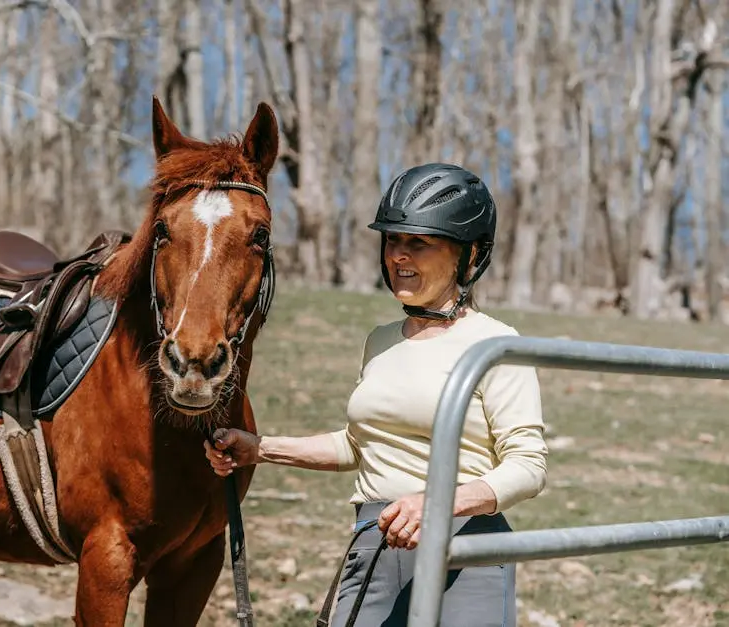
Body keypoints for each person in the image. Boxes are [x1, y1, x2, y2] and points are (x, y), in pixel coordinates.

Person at [203, 163, 548, 626]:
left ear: (468, 256)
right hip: (376, 540)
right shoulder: (381, 341)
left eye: (418, 243)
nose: (398, 256)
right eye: (392, 240)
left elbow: (528, 467)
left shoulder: (498, 346)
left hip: (466, 548)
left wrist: (439, 502)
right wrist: (259, 449)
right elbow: (359, 444)